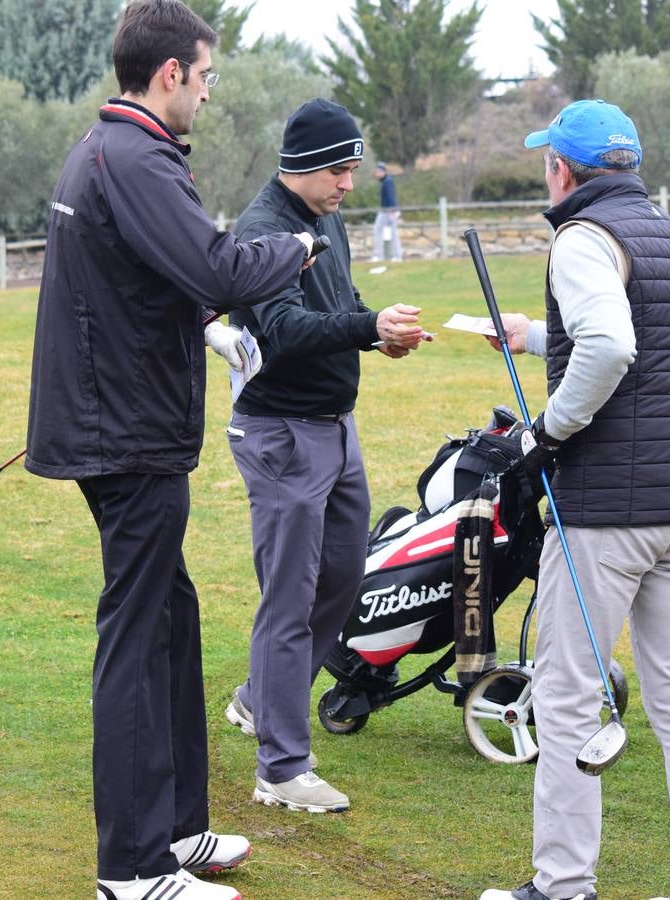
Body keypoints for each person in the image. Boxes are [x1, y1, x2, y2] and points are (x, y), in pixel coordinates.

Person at [23, 3, 323, 898]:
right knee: (135, 633)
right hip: (127, 436)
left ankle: (179, 829)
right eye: (206, 75)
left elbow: (146, 281)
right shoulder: (137, 156)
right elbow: (220, 266)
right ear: (169, 76)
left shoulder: (110, 151)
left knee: (171, 620)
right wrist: (300, 246)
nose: (207, 90)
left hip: (118, 424)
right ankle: (133, 867)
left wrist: (208, 330)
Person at [479, 99, 670, 900]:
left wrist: (545, 433)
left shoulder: (582, 237)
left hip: (608, 510)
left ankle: (561, 885)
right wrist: (531, 335)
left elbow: (614, 343)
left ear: (563, 169)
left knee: (563, 698)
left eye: (546, 161)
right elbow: (645, 335)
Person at [220, 98, 427, 813]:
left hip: (337, 429)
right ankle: (281, 768)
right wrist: (366, 326)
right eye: (339, 169)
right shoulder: (262, 232)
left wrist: (379, 333)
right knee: (290, 599)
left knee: (340, 582)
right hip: (280, 435)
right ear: (304, 166)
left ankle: (259, 697)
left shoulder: (326, 222)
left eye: (352, 169)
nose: (348, 183)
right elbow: (282, 329)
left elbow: (342, 301)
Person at [371, 161, 403, 262]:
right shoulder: (386, 181)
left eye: (378, 171)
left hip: (388, 211)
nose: (376, 173)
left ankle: (390, 255)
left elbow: (391, 196)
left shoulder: (387, 181)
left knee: (381, 231)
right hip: (387, 210)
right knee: (386, 232)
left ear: (382, 171)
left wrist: (393, 211)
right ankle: (394, 255)